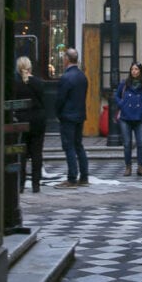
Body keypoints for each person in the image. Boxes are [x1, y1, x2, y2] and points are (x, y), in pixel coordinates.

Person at [54, 47, 89, 188]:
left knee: (69, 147)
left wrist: (58, 113)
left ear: (67, 59)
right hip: (79, 115)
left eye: (64, 57)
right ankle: (84, 176)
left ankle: (72, 178)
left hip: (68, 116)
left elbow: (60, 99)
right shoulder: (82, 76)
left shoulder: (66, 77)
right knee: (78, 145)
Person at [13, 56, 46, 193]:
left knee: (21, 153)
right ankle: (36, 185)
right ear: (30, 67)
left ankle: (20, 185)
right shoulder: (38, 83)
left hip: (21, 120)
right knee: (37, 153)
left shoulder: (15, 84)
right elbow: (43, 102)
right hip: (37, 120)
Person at [115, 62, 142, 176]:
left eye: (136, 69)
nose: (134, 71)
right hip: (125, 118)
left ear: (140, 71)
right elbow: (116, 95)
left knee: (140, 143)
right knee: (127, 144)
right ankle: (128, 167)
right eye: (132, 69)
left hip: (139, 118)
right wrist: (122, 104)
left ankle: (140, 167)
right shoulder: (124, 83)